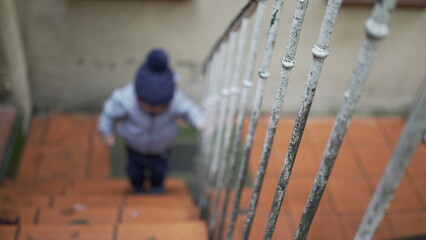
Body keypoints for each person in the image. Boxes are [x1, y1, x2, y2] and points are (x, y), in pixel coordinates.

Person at [98, 48, 204, 194]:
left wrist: (199, 121)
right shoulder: (125, 98)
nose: (155, 110)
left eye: (162, 107)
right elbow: (108, 113)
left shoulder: (176, 100)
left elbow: (189, 109)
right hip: (134, 144)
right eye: (149, 107)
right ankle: (137, 187)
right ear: (138, 99)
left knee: (160, 170)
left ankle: (157, 187)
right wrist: (106, 132)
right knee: (134, 171)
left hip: (162, 147)